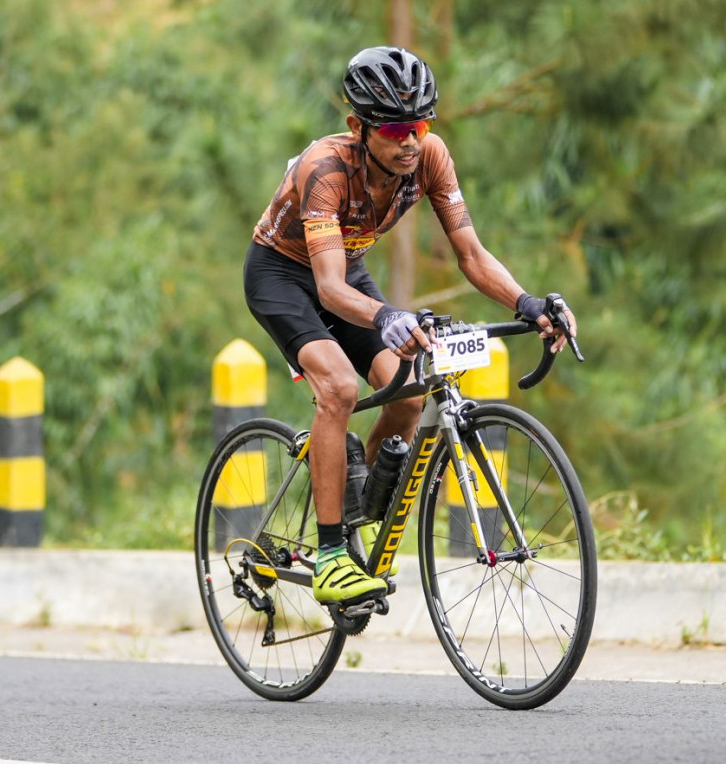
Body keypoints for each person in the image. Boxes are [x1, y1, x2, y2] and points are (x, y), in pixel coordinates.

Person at [244, 45, 577, 607]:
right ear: (358, 127)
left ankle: (357, 509)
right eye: (396, 129)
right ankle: (330, 557)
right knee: (339, 388)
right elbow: (328, 290)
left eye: (420, 126)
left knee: (408, 395)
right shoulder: (324, 169)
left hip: (346, 266)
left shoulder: (430, 157)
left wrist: (527, 303)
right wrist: (388, 315)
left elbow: (470, 254)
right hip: (283, 276)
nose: (411, 142)